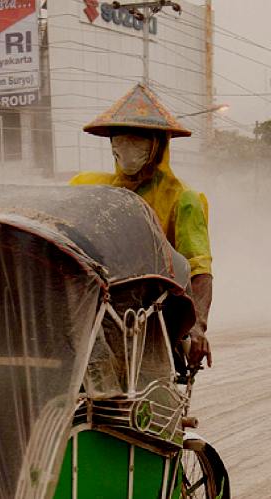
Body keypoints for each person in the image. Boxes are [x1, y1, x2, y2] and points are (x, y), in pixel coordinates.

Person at [70, 83, 214, 368]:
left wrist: (197, 327)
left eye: (137, 139)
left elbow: (199, 270)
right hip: (93, 307)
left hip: (151, 317)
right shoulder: (89, 187)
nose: (127, 146)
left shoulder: (184, 200)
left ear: (158, 144)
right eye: (120, 138)